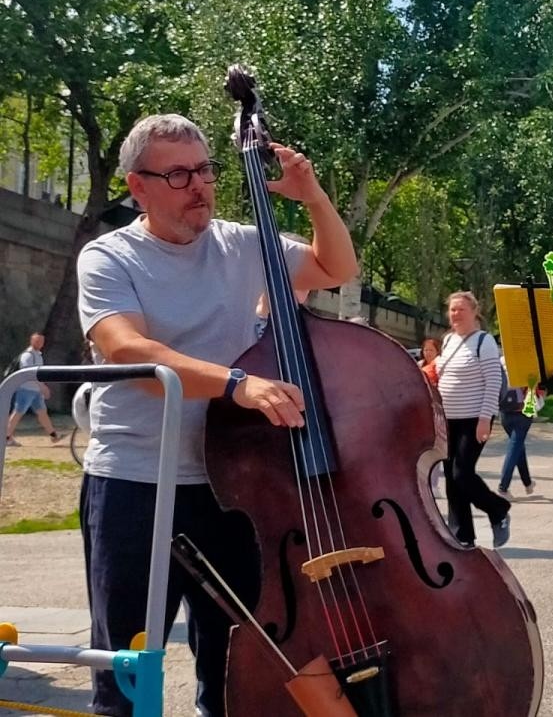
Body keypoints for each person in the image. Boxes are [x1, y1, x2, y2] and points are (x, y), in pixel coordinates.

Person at [76, 113, 357, 717]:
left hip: (231, 485)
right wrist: (238, 384)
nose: (200, 185)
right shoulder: (108, 257)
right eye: (178, 174)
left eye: (204, 169)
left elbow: (337, 269)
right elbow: (129, 352)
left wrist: (314, 197)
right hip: (135, 483)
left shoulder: (241, 243)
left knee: (234, 666)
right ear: (138, 187)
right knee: (125, 667)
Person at [434, 291, 511, 548]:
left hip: (472, 419)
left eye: (461, 310)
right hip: (447, 420)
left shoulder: (483, 341)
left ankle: (497, 509)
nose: (455, 314)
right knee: (451, 479)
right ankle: (462, 534)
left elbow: (493, 382)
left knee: (462, 473)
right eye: (452, 309)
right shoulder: (447, 341)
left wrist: (485, 418)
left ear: (474, 312)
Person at [497, 359, 544, 501]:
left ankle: (528, 483)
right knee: (514, 447)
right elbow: (535, 386)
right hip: (523, 411)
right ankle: (503, 487)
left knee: (517, 446)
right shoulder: (529, 363)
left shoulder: (499, 362)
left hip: (504, 411)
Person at [6, 332, 62, 446]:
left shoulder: (38, 355)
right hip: (25, 389)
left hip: (35, 390)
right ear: (32, 341)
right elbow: (29, 374)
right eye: (37, 341)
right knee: (17, 413)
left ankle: (53, 436)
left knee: (42, 413)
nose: (40, 343)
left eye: (41, 341)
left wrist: (41, 387)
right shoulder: (28, 355)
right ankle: (6, 437)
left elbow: (38, 374)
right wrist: (43, 387)